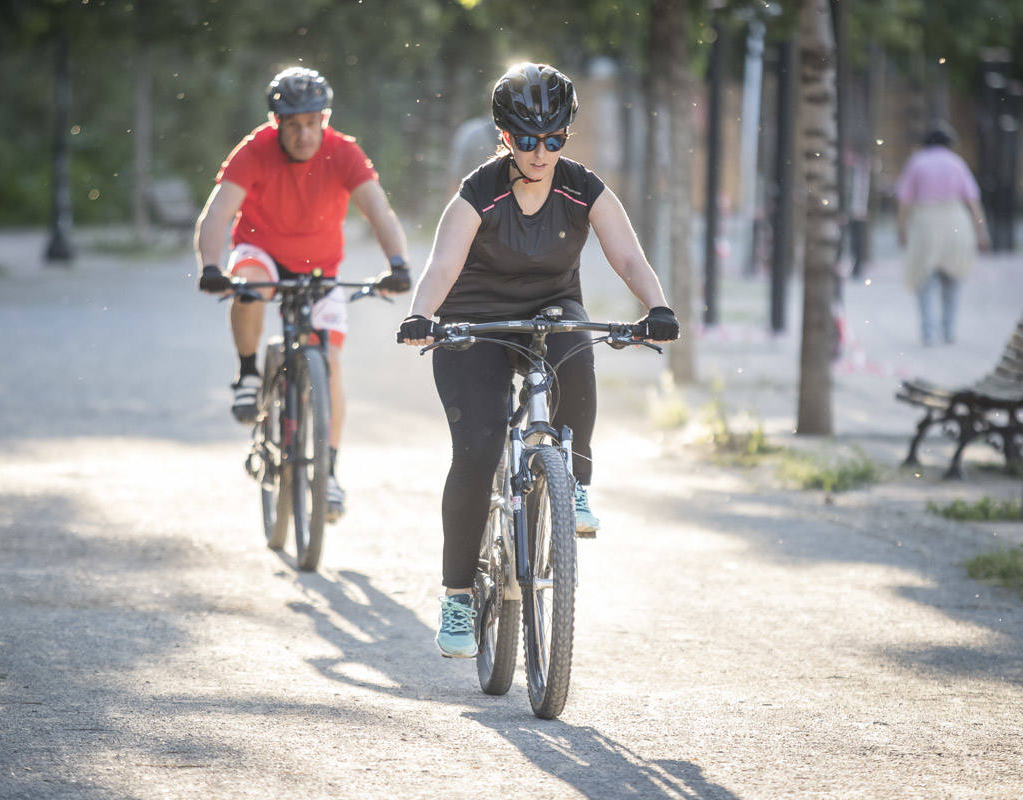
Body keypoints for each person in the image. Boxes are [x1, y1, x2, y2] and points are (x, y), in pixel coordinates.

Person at [396, 62, 679, 658]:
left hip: (550, 309)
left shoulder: (584, 188)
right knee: (475, 449)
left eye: (554, 139)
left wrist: (656, 305)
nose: (542, 152)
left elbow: (627, 256)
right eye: (528, 140)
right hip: (475, 321)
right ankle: (457, 595)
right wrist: (422, 316)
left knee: (577, 342)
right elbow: (442, 265)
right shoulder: (478, 193)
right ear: (505, 137)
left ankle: (574, 483)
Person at [196, 67, 411, 520]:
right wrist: (212, 267)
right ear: (276, 122)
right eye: (293, 124)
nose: (304, 134)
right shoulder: (254, 150)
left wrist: (397, 265)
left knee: (329, 363)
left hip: (320, 266)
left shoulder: (344, 151)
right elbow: (216, 214)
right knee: (248, 283)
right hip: (262, 250)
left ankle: (327, 473)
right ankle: (249, 374)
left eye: (312, 122)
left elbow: (379, 210)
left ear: (325, 118)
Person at [895, 121, 990, 346]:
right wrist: (981, 230)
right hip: (954, 220)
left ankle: (928, 332)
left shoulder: (916, 162)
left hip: (925, 223)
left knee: (924, 280)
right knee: (953, 279)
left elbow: (904, 202)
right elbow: (973, 202)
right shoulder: (957, 163)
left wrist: (901, 229)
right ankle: (948, 330)